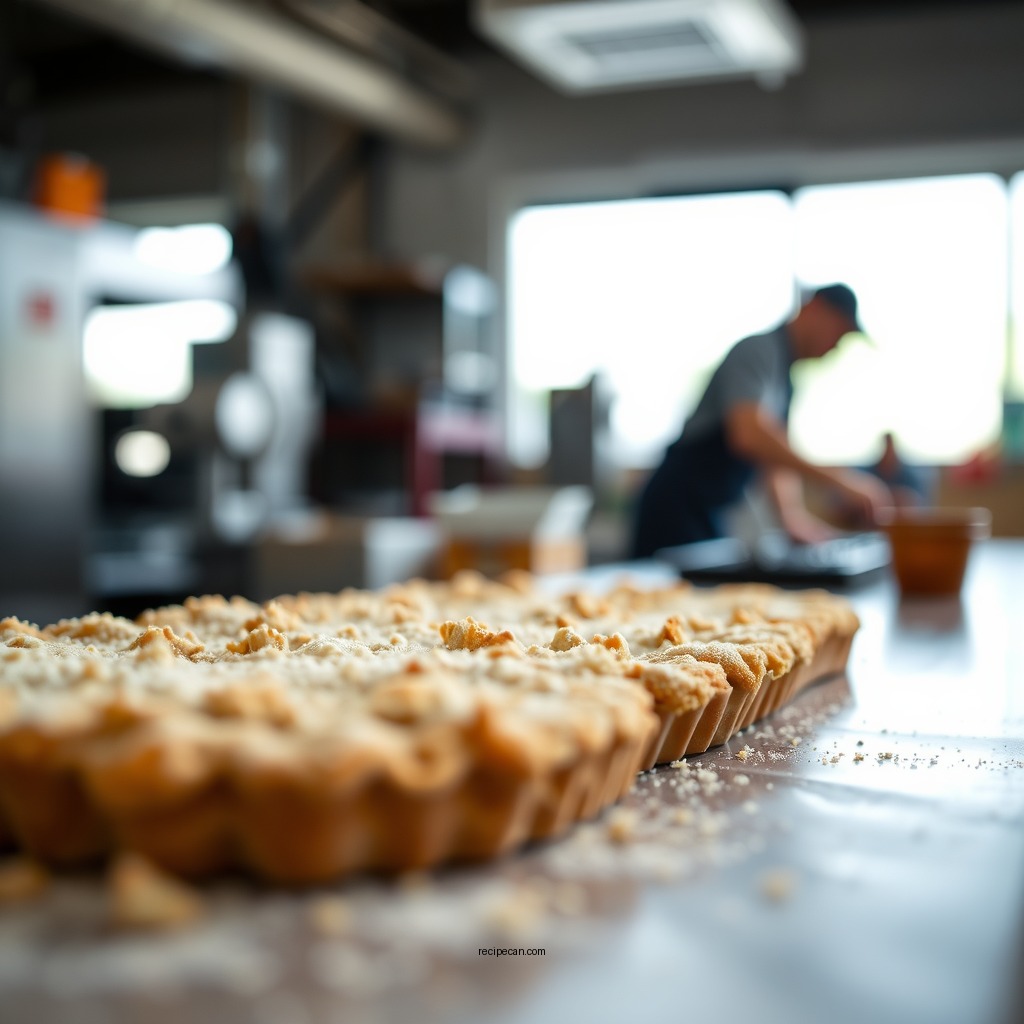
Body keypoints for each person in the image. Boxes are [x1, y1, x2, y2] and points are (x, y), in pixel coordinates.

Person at [630, 284, 892, 558]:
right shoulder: (758, 350)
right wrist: (840, 479)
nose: (836, 346)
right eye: (839, 333)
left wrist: (792, 519)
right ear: (814, 308)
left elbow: (774, 460)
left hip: (710, 511)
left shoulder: (785, 379)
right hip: (675, 507)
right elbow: (749, 434)